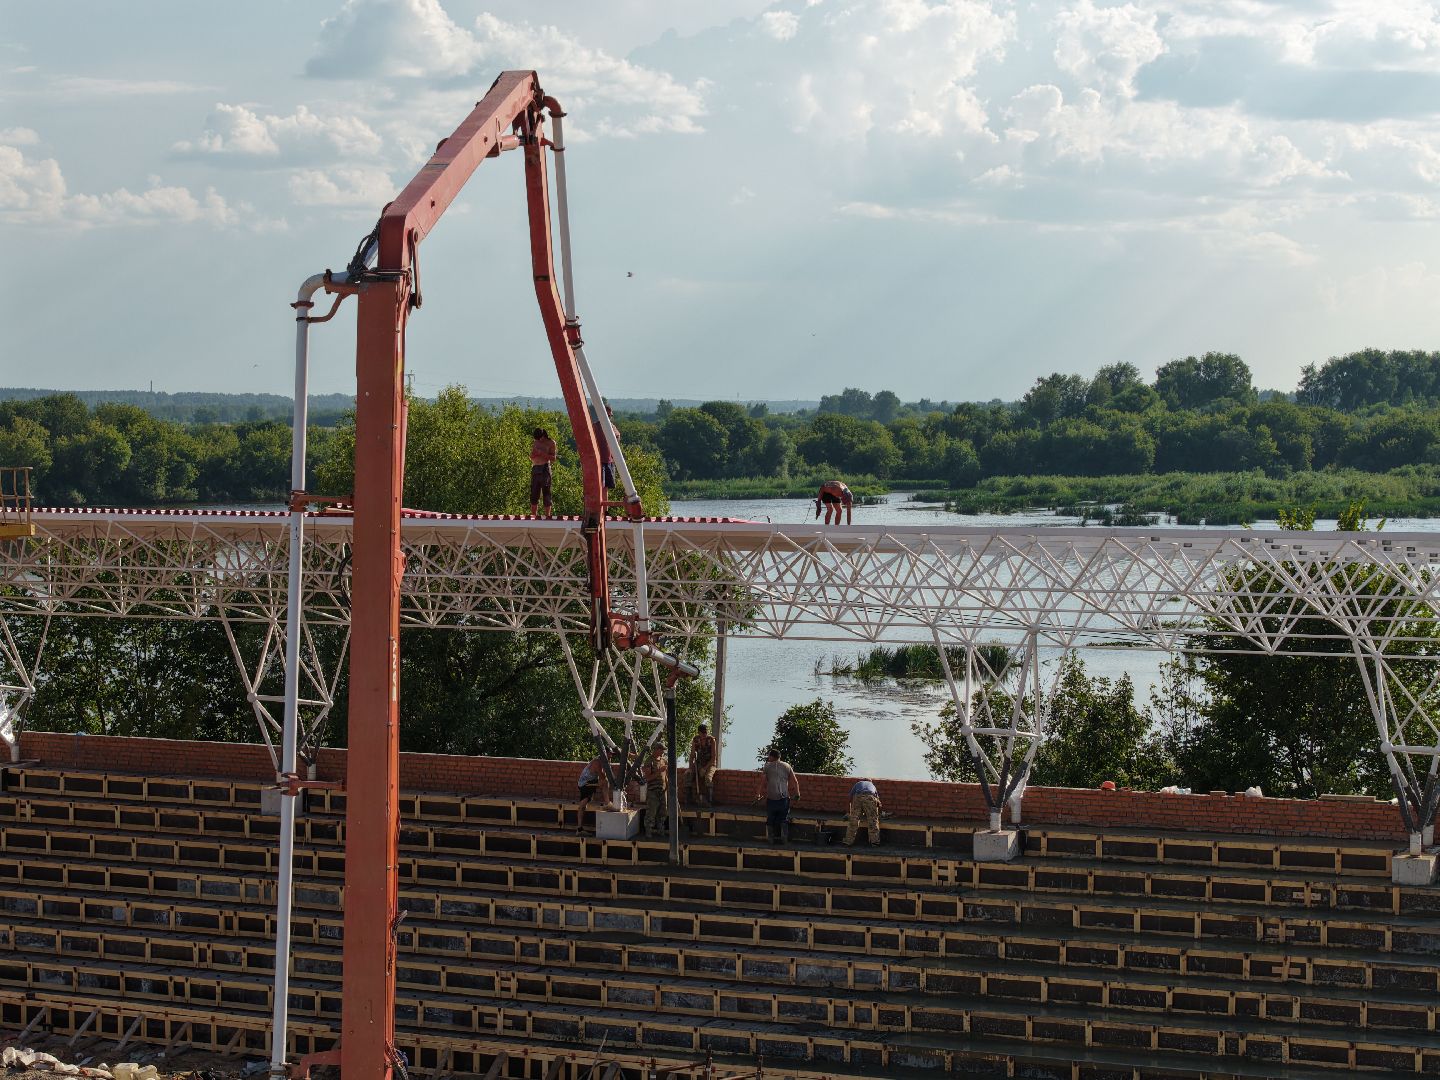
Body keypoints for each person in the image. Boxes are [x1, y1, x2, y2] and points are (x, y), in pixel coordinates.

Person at [755, 749, 800, 843]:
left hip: (772, 798)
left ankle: (770, 839)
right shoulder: (787, 766)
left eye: (769, 756)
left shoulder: (767, 766)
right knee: (783, 819)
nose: (768, 758)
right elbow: (795, 781)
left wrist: (758, 794)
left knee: (770, 819)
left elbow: (762, 782)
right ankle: (784, 839)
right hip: (784, 799)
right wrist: (797, 794)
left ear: (772, 756)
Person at [574, 752, 609, 833]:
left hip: (587, 782)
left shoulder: (600, 761)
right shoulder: (597, 762)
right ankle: (607, 804)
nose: (610, 756)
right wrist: (606, 771)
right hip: (585, 784)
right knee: (605, 782)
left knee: (583, 805)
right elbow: (602, 777)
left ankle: (579, 828)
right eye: (609, 754)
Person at [844, 778, 882, 847]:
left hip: (857, 797)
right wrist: (878, 813)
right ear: (870, 781)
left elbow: (849, 798)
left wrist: (848, 812)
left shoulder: (857, 784)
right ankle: (875, 842)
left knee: (853, 820)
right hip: (870, 797)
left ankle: (848, 842)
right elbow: (878, 803)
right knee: (873, 821)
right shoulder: (872, 785)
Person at [642, 742, 669, 838]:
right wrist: (659, 771)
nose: (663, 752)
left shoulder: (663, 760)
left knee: (663, 811)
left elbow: (665, 775)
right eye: (661, 750)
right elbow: (648, 778)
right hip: (653, 791)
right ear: (656, 749)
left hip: (663, 790)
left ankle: (661, 829)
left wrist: (668, 785)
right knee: (651, 811)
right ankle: (648, 831)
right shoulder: (649, 761)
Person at [592, 401, 619, 495]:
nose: (608, 418)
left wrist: (613, 453)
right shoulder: (595, 426)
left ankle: (604, 504)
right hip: (598, 460)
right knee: (599, 485)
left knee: (606, 486)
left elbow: (618, 436)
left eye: (609, 416)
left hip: (608, 460)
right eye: (606, 416)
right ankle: (601, 503)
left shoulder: (612, 427)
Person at [529, 427, 558, 517]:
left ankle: (548, 515)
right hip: (535, 468)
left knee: (546, 492)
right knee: (534, 493)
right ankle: (533, 515)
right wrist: (533, 455)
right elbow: (531, 457)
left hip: (545, 468)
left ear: (543, 436)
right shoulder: (536, 442)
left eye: (539, 439)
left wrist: (541, 453)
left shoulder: (551, 443)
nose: (538, 441)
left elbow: (553, 458)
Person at [688, 723, 717, 807]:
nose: (705, 734)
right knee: (688, 775)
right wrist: (690, 767)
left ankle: (709, 801)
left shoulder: (711, 740)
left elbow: (713, 758)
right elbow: (692, 755)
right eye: (703, 733)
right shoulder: (695, 740)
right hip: (699, 763)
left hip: (710, 764)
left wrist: (704, 768)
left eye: (706, 732)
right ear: (699, 733)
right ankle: (689, 801)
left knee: (708, 778)